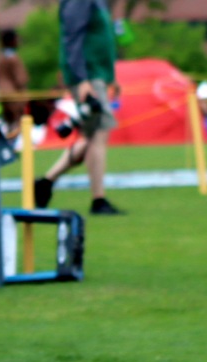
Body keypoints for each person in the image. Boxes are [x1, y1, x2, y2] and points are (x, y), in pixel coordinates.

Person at [33, 0, 122, 215]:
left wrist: (111, 77)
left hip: (97, 75)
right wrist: (82, 80)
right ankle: (98, 199)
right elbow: (72, 39)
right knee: (98, 135)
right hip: (89, 77)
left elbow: (101, 40)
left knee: (91, 139)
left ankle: (46, 182)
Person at [0, 28, 29, 138]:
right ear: (11, 41)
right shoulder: (13, 58)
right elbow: (21, 79)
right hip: (14, 94)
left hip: (1, 93)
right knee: (18, 121)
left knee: (7, 122)